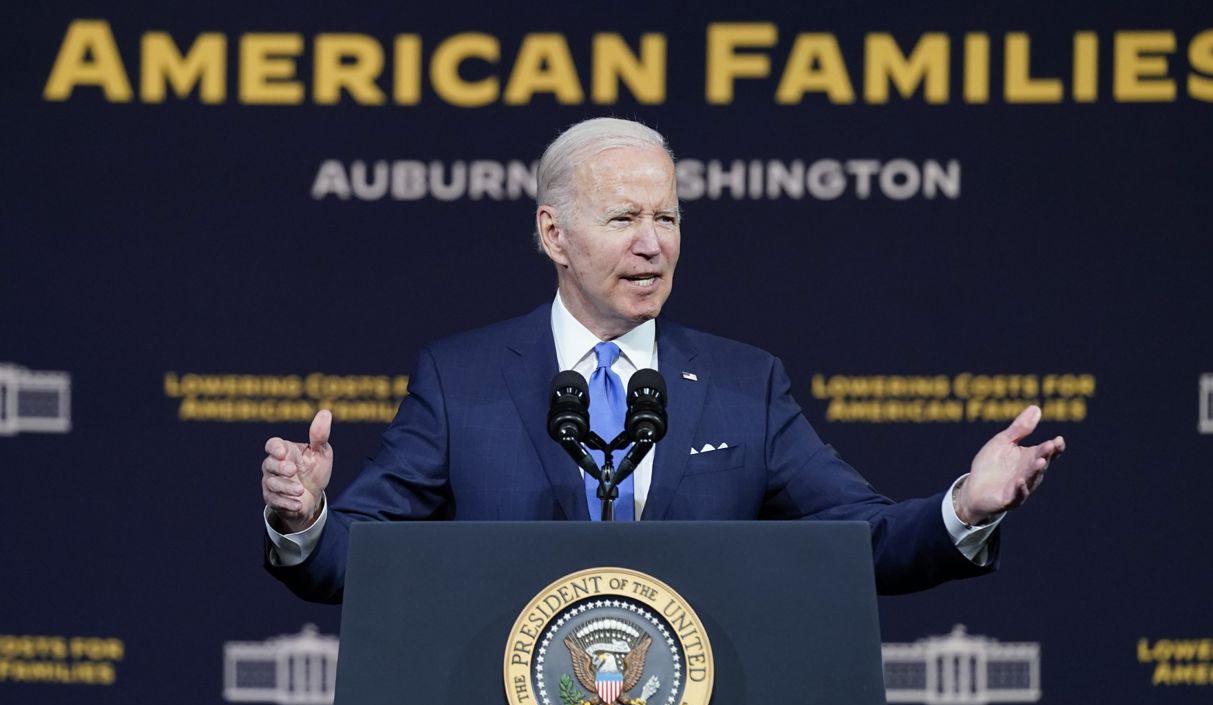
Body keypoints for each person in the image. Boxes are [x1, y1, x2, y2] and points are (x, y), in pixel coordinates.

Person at [261, 118, 1065, 603]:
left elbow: (862, 541)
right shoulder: (460, 378)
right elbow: (353, 563)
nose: (653, 244)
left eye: (667, 217)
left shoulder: (743, 384)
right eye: (623, 218)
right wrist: (304, 519)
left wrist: (967, 505)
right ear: (554, 236)